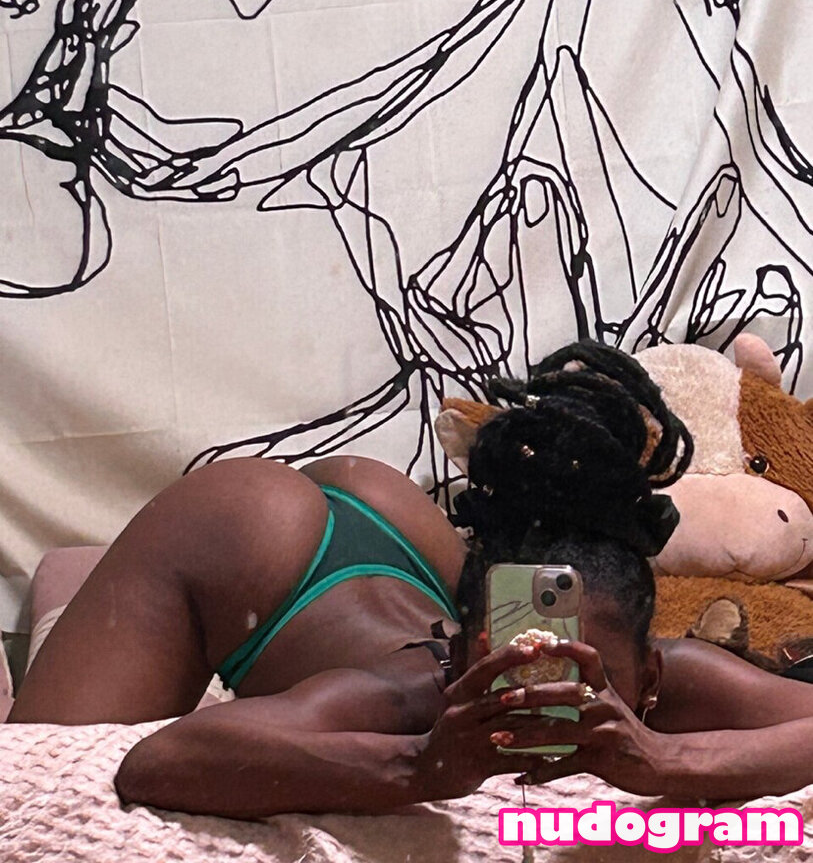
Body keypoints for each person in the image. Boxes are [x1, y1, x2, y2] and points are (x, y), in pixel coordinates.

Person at [9, 341, 813, 817]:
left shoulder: (671, 687)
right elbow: (154, 763)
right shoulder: (410, 697)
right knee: (32, 781)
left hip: (396, 521)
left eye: (581, 676)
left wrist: (665, 762)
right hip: (236, 536)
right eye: (506, 668)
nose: (543, 696)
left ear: (653, 677)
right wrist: (420, 766)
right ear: (456, 660)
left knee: (526, 594)